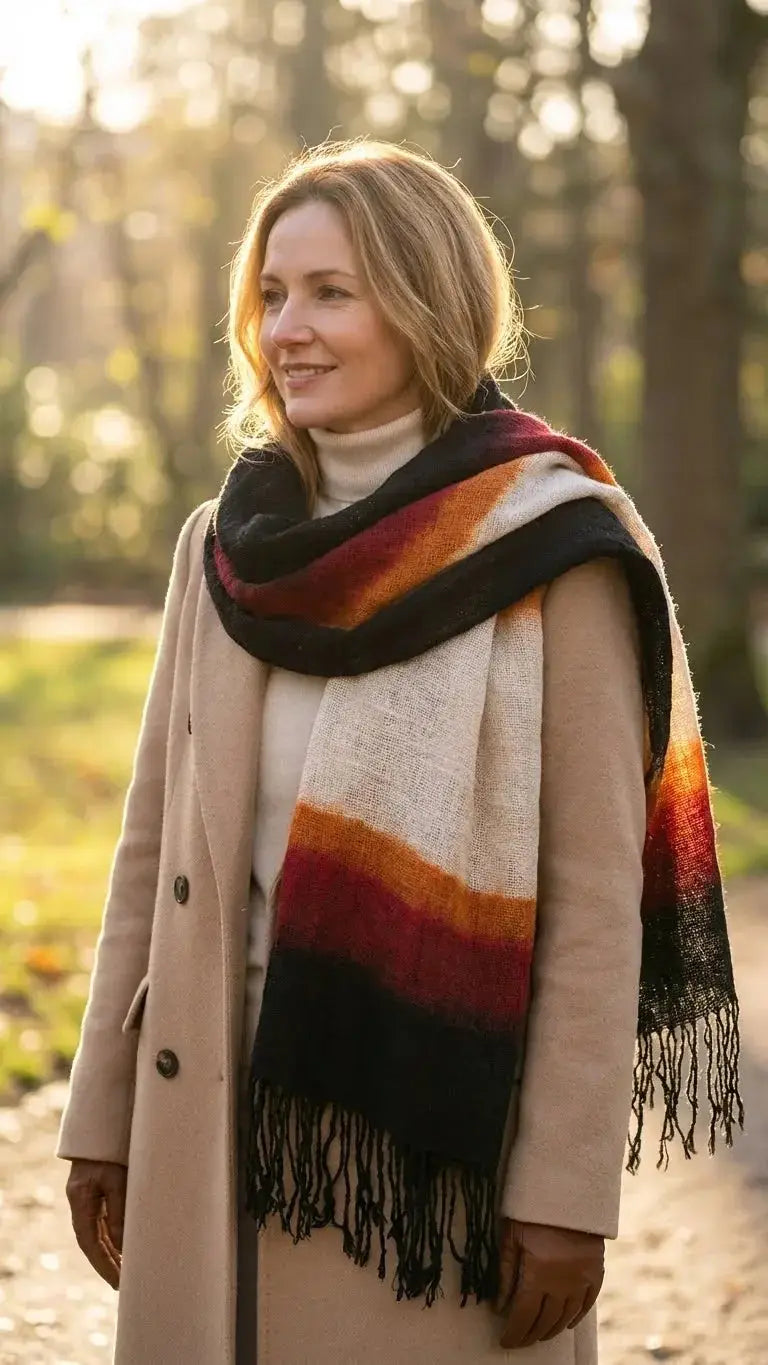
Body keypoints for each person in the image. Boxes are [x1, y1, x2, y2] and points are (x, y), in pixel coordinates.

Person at [56, 139, 742, 1365]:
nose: (287, 331)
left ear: (427, 302)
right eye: (270, 295)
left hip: (429, 1166)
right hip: (202, 1123)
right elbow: (150, 849)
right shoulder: (227, 546)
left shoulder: (553, 548)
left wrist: (567, 1190)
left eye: (331, 292)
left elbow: (594, 906)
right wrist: (101, 1119)